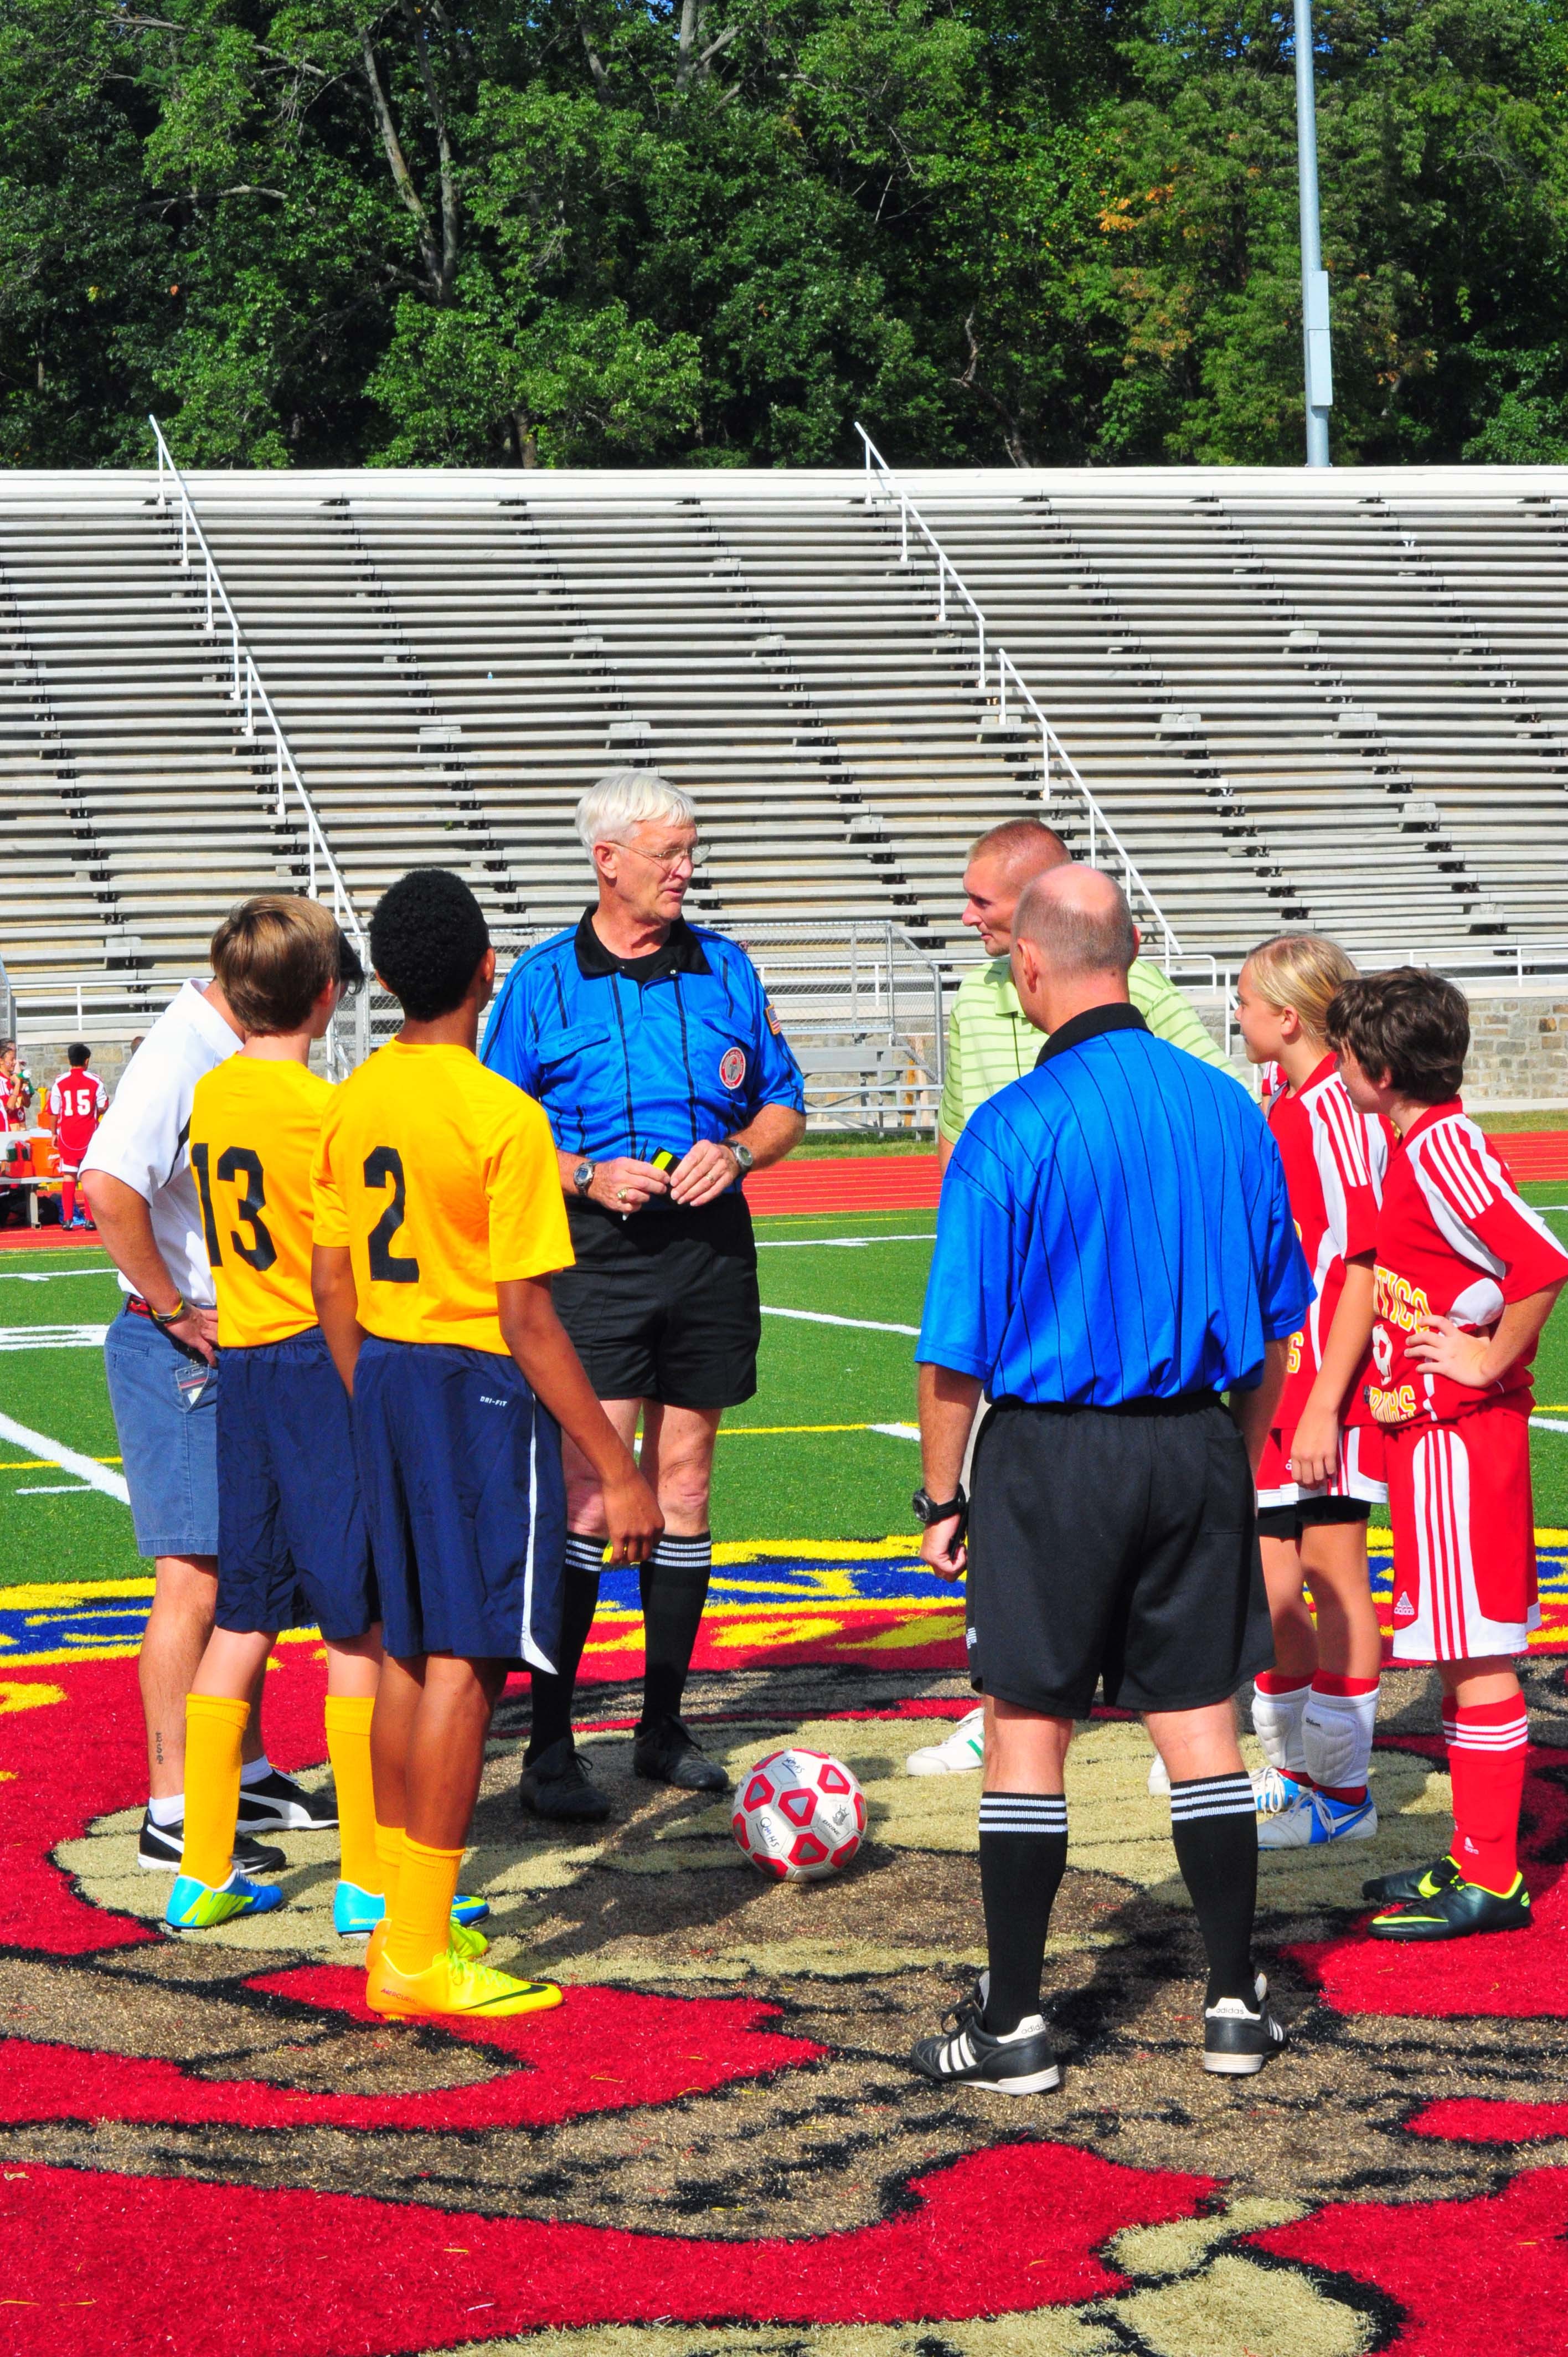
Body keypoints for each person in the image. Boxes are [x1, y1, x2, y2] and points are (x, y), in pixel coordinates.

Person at [908, 866, 1311, 2093]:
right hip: (1195, 1439)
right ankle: (1235, 2003)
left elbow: (954, 1355)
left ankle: (1016, 2024)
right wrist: (1230, 1459)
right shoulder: (1227, 1107)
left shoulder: (1014, 1124)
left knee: (1028, 1727)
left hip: (1053, 1451)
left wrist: (942, 1499)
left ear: (1030, 969)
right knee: (1201, 1726)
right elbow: (1280, 1319)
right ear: (1131, 954)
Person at [310, 867, 663, 2022]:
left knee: (412, 1654)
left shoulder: (355, 1094)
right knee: (464, 1662)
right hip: (471, 1385)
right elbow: (525, 1316)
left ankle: (404, 1922)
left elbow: (332, 1276)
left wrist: (370, 1390)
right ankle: (415, 1951)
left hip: (387, 1373)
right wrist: (616, 1466)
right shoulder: (502, 1115)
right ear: (485, 970)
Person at [480, 771, 806, 1821]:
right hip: (592, 1254)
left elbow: (785, 1100)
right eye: (666, 853)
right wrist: (581, 1173)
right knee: (588, 1495)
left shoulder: (726, 965)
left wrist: (740, 1151)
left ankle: (662, 1726)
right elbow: (502, 1125)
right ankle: (550, 1742)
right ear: (605, 861)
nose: (684, 869)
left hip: (708, 1247)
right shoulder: (538, 984)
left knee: (687, 1486)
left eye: (689, 850)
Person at [908, 817, 1243, 1783]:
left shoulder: (1132, 991)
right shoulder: (975, 998)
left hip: (1104, 1277)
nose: (963, 917)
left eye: (980, 900)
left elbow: (1204, 1094)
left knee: (1088, 1506)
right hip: (1011, 1274)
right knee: (1003, 1507)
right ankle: (1011, 1691)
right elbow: (956, 1127)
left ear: (1035, 909)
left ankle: (1131, 1705)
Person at [167, 897, 435, 1937]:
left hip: (241, 1363)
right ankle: (368, 1873)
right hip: (315, 1363)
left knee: (244, 1613)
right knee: (356, 1620)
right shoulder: (325, 1113)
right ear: (327, 996)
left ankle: (202, 1864)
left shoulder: (214, 1095)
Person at [1329, 969, 1568, 1941]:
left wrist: (1484, 1356)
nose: (1338, 1068)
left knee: (1474, 1654)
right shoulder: (1414, 1147)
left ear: (1380, 1070)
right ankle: (1477, 1858)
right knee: (1459, 1648)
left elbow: (1540, 1261)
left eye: (1346, 1054)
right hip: (1430, 1436)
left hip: (1459, 1439)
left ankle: (1493, 1877)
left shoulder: (1442, 1147)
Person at [81, 949, 330, 1873]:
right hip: (184, 1346)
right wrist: (174, 1309)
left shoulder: (214, 1046)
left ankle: (244, 1766)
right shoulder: (186, 1051)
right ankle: (174, 1806)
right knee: (194, 1575)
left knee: (248, 1570)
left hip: (233, 1341)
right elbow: (107, 1186)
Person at [1232, 937, 1390, 1853]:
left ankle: (1343, 1789)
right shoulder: (1292, 1102)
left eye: (1245, 1004)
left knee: (1334, 1576)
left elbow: (1361, 1263)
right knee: (1271, 1585)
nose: (1237, 1019)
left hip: (1324, 1382)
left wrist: (1327, 1397)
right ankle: (1294, 1770)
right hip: (1278, 1379)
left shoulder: (1333, 1109)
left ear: (1286, 1017)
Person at [46, 1044, 108, 1229]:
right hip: (89, 1135)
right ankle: (90, 1219)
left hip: (68, 1135)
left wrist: (53, 1133)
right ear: (87, 1060)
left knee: (69, 1176)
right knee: (88, 1177)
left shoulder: (60, 1081)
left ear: (69, 1060)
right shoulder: (95, 1081)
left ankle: (67, 1219)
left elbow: (53, 1111)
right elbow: (103, 1105)